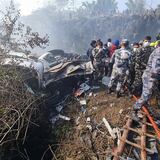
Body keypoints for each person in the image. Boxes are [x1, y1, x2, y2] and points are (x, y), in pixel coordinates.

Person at [133, 42, 160, 111]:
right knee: (146, 95)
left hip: (154, 76)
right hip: (150, 76)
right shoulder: (158, 52)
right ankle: (135, 109)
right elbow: (155, 69)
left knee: (155, 94)